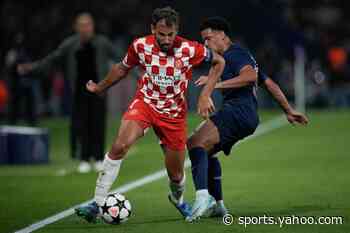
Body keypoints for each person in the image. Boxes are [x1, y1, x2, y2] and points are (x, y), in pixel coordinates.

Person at [74, 6, 225, 222]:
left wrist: (205, 94)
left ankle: (178, 199)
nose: (166, 39)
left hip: (173, 115)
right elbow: (122, 68)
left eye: (170, 35)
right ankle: (96, 204)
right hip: (145, 104)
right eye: (161, 34)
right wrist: (100, 88)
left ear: (177, 31)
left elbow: (220, 61)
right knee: (120, 145)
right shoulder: (140, 46)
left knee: (176, 175)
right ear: (152, 29)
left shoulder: (191, 49)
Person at [186, 17, 308, 221]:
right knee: (206, 150)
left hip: (238, 112)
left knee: (195, 143)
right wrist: (288, 110)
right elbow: (268, 84)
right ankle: (218, 205)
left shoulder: (235, 54)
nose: (206, 44)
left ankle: (202, 199)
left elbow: (250, 77)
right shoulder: (243, 55)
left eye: (208, 39)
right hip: (245, 115)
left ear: (222, 35)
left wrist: (214, 84)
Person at [17, 13, 117, 173]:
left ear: (93, 27)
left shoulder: (102, 43)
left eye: (88, 25)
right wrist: (31, 68)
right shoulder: (70, 44)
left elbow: (123, 60)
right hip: (78, 91)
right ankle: (84, 159)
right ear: (76, 28)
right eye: (82, 25)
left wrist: (140, 72)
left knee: (98, 124)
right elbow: (52, 59)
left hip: (99, 90)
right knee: (81, 125)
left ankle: (98, 158)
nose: (85, 29)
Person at [6, 33, 38, 126]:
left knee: (29, 103)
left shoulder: (27, 53)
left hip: (27, 82)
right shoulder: (12, 53)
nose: (20, 42)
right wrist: (16, 68)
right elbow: (9, 66)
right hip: (16, 83)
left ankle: (31, 121)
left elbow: (32, 66)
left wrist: (27, 68)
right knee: (15, 104)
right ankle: (12, 122)